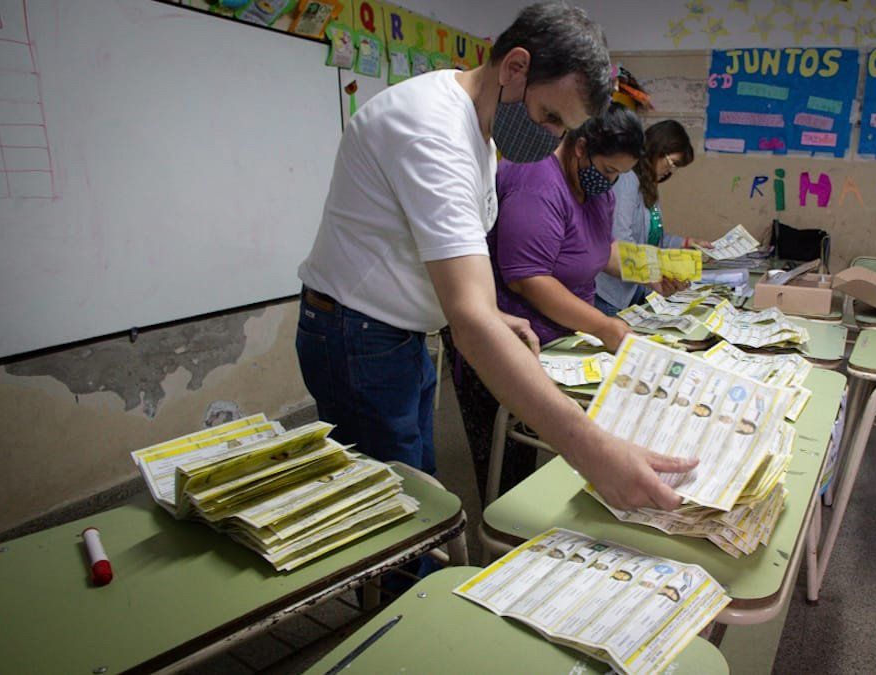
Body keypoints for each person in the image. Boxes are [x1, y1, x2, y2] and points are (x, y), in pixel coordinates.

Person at [294, 2, 696, 511]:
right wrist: (594, 452)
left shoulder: (478, 130)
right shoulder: (433, 131)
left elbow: (448, 268)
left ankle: (414, 577)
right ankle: (409, 589)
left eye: (561, 128)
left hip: (396, 330)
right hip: (357, 331)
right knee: (394, 505)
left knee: (417, 484)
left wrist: (495, 312)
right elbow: (471, 323)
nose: (550, 136)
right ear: (514, 68)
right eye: (550, 116)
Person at [443, 104, 643, 499]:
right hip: (507, 333)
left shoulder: (596, 187)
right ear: (581, 147)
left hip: (560, 335)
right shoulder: (536, 178)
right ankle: (504, 532)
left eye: (620, 175)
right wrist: (603, 325)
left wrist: (649, 270)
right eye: (607, 171)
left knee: (558, 438)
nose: (611, 182)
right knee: (507, 467)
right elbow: (528, 279)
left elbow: (599, 251)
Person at [594, 120, 709, 316]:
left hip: (632, 289)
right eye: (671, 163)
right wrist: (656, 270)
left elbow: (654, 238)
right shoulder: (627, 179)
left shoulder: (648, 186)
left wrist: (687, 243)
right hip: (609, 294)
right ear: (657, 150)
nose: (670, 171)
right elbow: (621, 242)